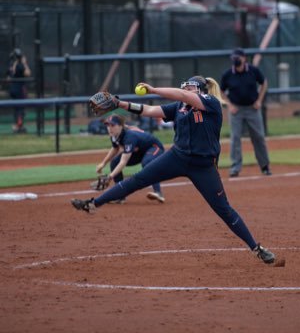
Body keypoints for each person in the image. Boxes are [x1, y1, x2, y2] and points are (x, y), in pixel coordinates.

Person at [71, 76, 283, 265]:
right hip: (177, 157)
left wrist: (153, 90)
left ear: (201, 91)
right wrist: (119, 103)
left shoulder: (211, 103)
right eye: (186, 88)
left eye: (190, 88)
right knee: (136, 180)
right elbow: (150, 110)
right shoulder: (180, 107)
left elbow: (182, 95)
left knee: (223, 210)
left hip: (203, 166)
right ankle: (93, 204)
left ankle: (256, 248)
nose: (186, 91)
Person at [219, 48, 272, 178]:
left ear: (244, 58)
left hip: (252, 109)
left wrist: (259, 100)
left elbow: (264, 82)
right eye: (234, 58)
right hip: (236, 110)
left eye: (238, 57)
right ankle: (235, 167)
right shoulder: (227, 74)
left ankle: (264, 166)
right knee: (235, 137)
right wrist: (229, 105)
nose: (236, 60)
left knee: (258, 137)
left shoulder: (253, 71)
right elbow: (220, 90)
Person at [97, 114, 165, 204]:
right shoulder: (114, 135)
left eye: (112, 125)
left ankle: (158, 192)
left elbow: (123, 162)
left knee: (147, 162)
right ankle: (120, 195)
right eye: (107, 125)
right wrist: (103, 163)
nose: (109, 128)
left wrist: (110, 176)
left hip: (154, 148)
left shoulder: (129, 137)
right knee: (114, 162)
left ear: (120, 126)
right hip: (140, 151)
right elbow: (115, 148)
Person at [6, 48, 31, 133]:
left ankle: (17, 125)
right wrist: (25, 63)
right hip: (19, 89)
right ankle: (18, 125)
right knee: (21, 107)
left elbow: (8, 78)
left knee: (16, 108)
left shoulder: (11, 65)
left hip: (12, 89)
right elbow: (28, 73)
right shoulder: (20, 65)